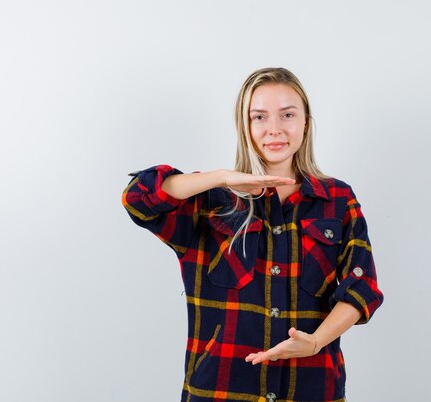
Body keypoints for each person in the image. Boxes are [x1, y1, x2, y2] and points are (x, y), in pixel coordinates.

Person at [121, 67, 384, 402]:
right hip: (220, 391)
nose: (274, 129)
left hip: (311, 389)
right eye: (259, 117)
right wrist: (221, 178)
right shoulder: (212, 200)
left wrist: (315, 342)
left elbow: (362, 287)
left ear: (305, 121)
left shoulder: (337, 200)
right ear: (244, 125)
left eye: (287, 114)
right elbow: (138, 198)